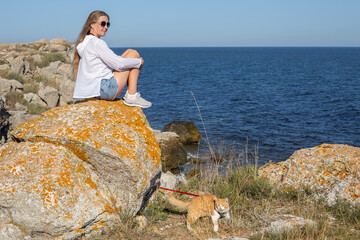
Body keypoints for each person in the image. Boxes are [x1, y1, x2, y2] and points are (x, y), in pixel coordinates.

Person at [73, 10, 151, 108]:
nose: (106, 27)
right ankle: (132, 95)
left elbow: (115, 62)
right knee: (133, 54)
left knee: (129, 52)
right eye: (103, 24)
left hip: (90, 91)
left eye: (107, 24)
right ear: (92, 25)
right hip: (104, 90)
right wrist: (139, 62)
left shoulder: (83, 43)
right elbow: (119, 64)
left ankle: (132, 95)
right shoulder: (97, 43)